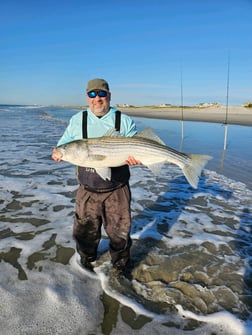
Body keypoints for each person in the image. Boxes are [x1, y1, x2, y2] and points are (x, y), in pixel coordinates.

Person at [52, 78, 141, 275]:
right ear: (87, 97)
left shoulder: (123, 120)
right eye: (92, 94)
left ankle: (120, 268)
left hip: (117, 190)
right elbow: (63, 145)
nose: (97, 98)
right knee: (85, 233)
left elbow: (138, 147)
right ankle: (85, 265)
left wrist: (138, 158)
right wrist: (59, 152)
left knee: (120, 234)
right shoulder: (78, 119)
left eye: (101, 94)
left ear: (109, 96)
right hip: (87, 189)